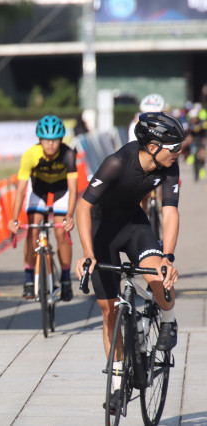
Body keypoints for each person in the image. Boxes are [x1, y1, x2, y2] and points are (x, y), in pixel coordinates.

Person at [75, 111, 183, 411]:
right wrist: (87, 253)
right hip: (102, 231)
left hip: (134, 226)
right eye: (174, 147)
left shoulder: (169, 166)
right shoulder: (117, 163)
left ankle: (168, 321)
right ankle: (117, 384)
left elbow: (170, 211)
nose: (179, 152)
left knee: (159, 276)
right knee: (109, 312)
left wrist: (167, 256)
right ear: (153, 146)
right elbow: (83, 208)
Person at [8, 115, 78, 301]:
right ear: (40, 140)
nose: (50, 144)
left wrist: (70, 215)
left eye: (54, 140)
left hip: (61, 190)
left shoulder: (68, 154)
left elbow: (73, 189)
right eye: (46, 140)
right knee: (33, 230)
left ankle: (65, 279)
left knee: (61, 232)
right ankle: (29, 279)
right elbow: (21, 190)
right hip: (38, 189)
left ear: (61, 140)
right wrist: (14, 218)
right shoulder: (30, 155)